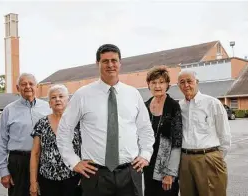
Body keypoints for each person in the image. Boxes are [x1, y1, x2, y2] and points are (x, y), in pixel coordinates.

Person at [56, 44, 154, 196]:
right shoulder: (83, 95)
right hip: (95, 174)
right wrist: (73, 161)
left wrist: (146, 154)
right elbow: (64, 130)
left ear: (120, 63)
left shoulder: (133, 94)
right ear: (98, 64)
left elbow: (145, 128)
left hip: (130, 173)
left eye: (114, 60)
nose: (110, 65)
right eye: (105, 61)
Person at [0, 73, 51, 196]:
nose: (28, 87)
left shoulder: (47, 108)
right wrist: (3, 172)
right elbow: (1, 142)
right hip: (19, 162)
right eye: (23, 84)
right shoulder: (9, 110)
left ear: (36, 86)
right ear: (17, 87)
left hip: (44, 161)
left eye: (31, 84)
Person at [178, 70, 231, 196]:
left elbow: (225, 135)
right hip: (185, 160)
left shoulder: (213, 103)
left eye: (189, 81)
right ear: (178, 85)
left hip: (209, 157)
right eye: (182, 82)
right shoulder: (179, 107)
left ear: (196, 82)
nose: (186, 85)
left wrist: (214, 157)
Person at [30, 84, 82, 196]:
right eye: (53, 97)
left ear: (68, 101)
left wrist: (85, 177)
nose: (57, 99)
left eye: (61, 96)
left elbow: (86, 150)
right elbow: (35, 153)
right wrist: (33, 182)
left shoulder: (78, 122)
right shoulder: (42, 123)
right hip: (47, 180)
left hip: (73, 178)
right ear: (49, 103)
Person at [143, 66, 182, 196]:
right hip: (148, 164)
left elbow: (177, 141)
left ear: (167, 85)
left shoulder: (173, 106)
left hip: (166, 166)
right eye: (153, 82)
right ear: (148, 85)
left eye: (161, 82)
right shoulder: (145, 105)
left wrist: (170, 173)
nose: (157, 86)